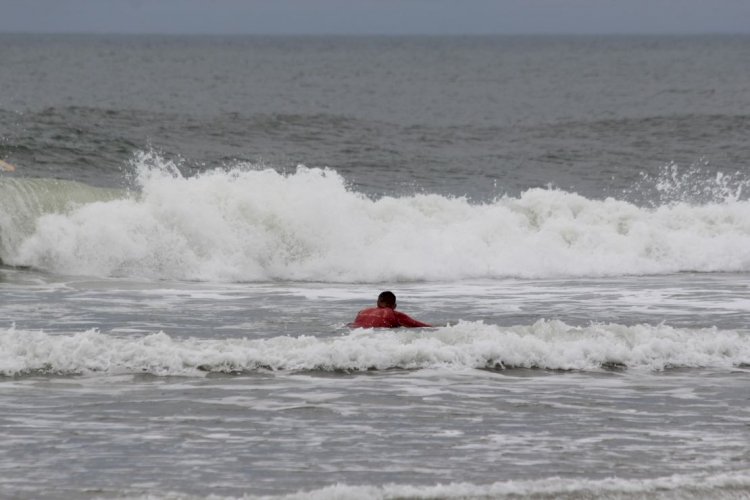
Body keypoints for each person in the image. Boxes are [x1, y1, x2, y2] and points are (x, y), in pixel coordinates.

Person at [350, 291, 431, 328]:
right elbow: (419, 325)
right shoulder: (393, 313)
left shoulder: (362, 312)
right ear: (394, 306)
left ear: (377, 302)